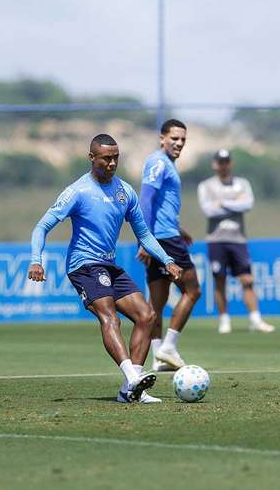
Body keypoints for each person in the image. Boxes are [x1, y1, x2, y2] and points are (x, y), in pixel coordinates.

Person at [28, 133, 182, 403]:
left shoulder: (125, 192)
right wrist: (36, 260)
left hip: (108, 264)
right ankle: (133, 378)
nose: (112, 163)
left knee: (147, 316)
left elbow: (144, 234)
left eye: (116, 158)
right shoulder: (77, 191)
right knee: (110, 317)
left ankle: (130, 390)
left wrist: (167, 259)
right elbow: (42, 226)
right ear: (92, 158)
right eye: (106, 158)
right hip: (83, 264)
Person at [138, 119, 201, 371]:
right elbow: (146, 200)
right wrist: (145, 239)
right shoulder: (157, 162)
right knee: (193, 290)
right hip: (163, 240)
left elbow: (162, 206)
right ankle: (169, 347)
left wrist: (178, 227)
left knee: (158, 302)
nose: (179, 143)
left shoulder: (167, 164)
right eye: (174, 138)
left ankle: (157, 357)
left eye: (183, 139)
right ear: (162, 138)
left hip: (164, 234)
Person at [197, 149, 273, 333]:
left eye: (226, 161)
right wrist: (234, 204)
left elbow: (247, 205)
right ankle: (224, 320)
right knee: (220, 280)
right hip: (216, 239)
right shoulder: (206, 186)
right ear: (215, 164)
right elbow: (208, 211)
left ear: (230, 163)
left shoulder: (242, 184)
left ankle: (255, 318)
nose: (224, 165)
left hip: (238, 239)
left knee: (247, 279)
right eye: (220, 162)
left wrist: (222, 203)